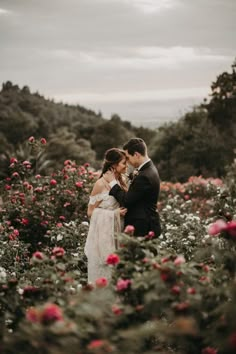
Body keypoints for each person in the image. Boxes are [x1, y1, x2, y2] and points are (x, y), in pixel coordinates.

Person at [84, 148, 127, 284]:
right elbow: (90, 212)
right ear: (114, 165)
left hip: (119, 233)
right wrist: (114, 214)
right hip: (103, 238)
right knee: (104, 277)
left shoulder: (122, 180)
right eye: (123, 163)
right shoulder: (100, 184)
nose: (126, 166)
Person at [104, 138, 161, 237]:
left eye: (128, 157)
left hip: (142, 227)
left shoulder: (144, 176)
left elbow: (126, 200)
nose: (127, 161)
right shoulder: (148, 168)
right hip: (147, 224)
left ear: (136, 155)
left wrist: (113, 182)